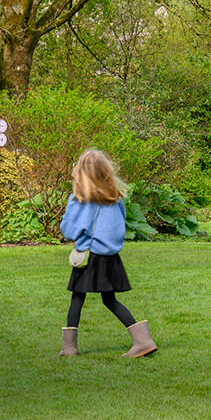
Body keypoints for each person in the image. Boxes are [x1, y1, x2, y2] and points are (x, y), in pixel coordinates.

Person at [57, 149, 157, 358]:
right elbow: (119, 224)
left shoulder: (80, 198)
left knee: (77, 298)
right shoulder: (115, 197)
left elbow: (68, 229)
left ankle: (69, 348)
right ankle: (142, 340)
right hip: (111, 257)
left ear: (80, 172)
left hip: (89, 256)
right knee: (109, 299)